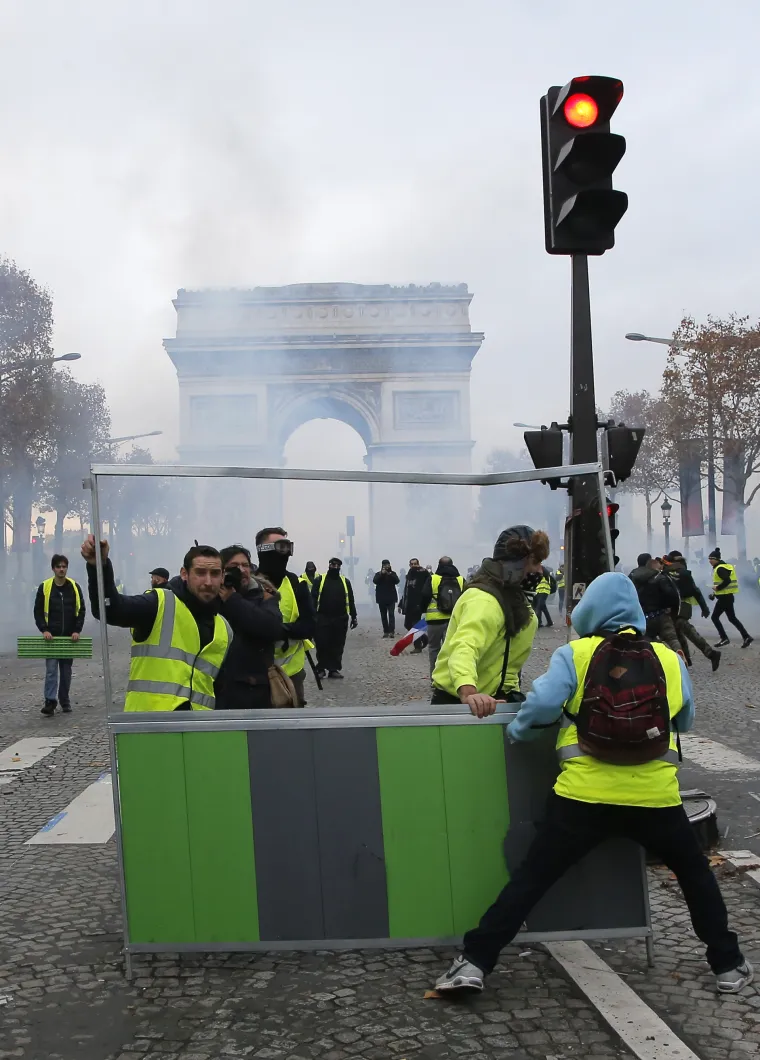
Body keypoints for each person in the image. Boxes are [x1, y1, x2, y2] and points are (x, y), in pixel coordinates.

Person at [435, 571, 752, 997]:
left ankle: (474, 962)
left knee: (532, 880)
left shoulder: (575, 654)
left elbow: (541, 708)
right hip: (654, 797)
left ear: (590, 611)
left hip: (583, 797)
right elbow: (685, 721)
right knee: (695, 876)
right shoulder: (668, 659)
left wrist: (520, 733)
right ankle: (728, 965)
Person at [82, 537, 231, 711]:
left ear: (222, 577)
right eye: (200, 572)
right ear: (184, 574)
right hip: (149, 727)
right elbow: (109, 610)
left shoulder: (224, 629)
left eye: (214, 574)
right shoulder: (158, 603)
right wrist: (99, 566)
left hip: (198, 730)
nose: (208, 582)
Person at [431, 525, 547, 713]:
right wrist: (468, 691)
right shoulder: (484, 600)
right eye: (534, 561)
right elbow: (464, 647)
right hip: (462, 705)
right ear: (514, 564)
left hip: (494, 701)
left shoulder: (513, 599)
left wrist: (509, 693)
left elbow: (508, 659)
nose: (540, 570)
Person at [214, 545, 289, 709]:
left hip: (254, 690)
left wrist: (232, 600)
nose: (241, 570)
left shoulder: (264, 595)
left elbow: (272, 628)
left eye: (245, 565)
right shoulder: (212, 596)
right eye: (234, 567)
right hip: (218, 690)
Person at [255, 527, 316, 706]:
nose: (285, 553)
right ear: (263, 550)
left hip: (292, 673)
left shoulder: (297, 585)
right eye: (280, 547)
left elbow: (310, 626)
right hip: (255, 672)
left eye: (288, 547)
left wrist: (280, 630)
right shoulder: (249, 584)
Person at [34, 554, 86, 716]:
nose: (61, 569)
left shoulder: (74, 587)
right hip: (52, 638)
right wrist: (44, 629)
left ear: (66, 568)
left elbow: (81, 610)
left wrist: (77, 630)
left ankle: (64, 700)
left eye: (64, 566)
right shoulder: (45, 587)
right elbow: (38, 611)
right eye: (58, 566)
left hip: (69, 637)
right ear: (53, 569)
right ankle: (50, 701)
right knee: (51, 670)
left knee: (66, 671)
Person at [663, 551, 721, 671]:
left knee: (684, 627)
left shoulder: (682, 573)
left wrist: (704, 607)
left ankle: (710, 653)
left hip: (683, 604)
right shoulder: (673, 571)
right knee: (677, 631)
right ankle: (686, 658)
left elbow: (695, 590)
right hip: (675, 604)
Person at [312, 557, 358, 678]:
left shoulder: (345, 581)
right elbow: (313, 599)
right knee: (322, 643)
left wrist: (354, 616)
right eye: (333, 565)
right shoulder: (320, 580)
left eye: (337, 565)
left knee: (337, 645)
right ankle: (321, 668)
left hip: (340, 617)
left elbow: (351, 599)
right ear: (329, 565)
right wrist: (311, 616)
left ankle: (334, 669)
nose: (335, 567)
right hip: (322, 617)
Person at [628, 553, 682, 654]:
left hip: (643, 617)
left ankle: (652, 659)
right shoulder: (658, 575)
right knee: (671, 638)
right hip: (660, 614)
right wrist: (669, 608)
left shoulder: (632, 576)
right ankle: (678, 653)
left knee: (646, 641)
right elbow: (672, 594)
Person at [420, 556, 464, 673]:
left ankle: (435, 678)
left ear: (439, 564)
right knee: (451, 650)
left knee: (434, 649)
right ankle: (450, 677)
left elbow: (425, 596)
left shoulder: (433, 579)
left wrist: (423, 609)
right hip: (454, 621)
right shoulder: (460, 579)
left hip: (435, 620)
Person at [708, 548, 752, 648]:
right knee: (732, 618)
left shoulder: (720, 568)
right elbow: (724, 584)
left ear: (717, 559)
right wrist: (714, 594)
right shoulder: (724, 567)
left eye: (712, 559)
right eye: (709, 559)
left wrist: (718, 588)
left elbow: (726, 581)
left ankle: (724, 638)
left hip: (725, 598)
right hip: (727, 597)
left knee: (714, 617)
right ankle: (746, 636)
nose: (710, 561)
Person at [399, 558, 428, 648]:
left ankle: (418, 646)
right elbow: (406, 591)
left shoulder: (423, 573)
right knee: (407, 624)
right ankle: (424, 638)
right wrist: (401, 604)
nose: (413, 566)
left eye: (415, 564)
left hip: (418, 604)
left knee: (415, 625)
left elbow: (428, 581)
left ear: (418, 564)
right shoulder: (409, 575)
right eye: (411, 564)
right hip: (409, 605)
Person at [373, 560, 400, 638]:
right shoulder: (378, 574)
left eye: (387, 565)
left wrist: (389, 574)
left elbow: (397, 581)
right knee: (383, 615)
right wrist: (382, 574)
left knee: (391, 614)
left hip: (391, 598)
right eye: (384, 565)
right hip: (381, 598)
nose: (386, 566)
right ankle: (386, 631)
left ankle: (392, 631)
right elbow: (375, 581)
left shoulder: (393, 573)